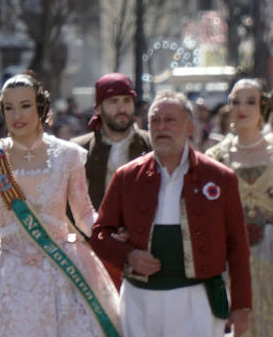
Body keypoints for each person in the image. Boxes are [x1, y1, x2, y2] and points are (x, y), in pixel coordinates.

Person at [0, 73, 120, 337]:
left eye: (25, 105)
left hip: (61, 269)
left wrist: (109, 234)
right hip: (4, 272)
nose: (17, 114)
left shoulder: (68, 155)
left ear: (41, 108)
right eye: (9, 107)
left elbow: (84, 213)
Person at [92, 91, 252, 337]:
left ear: (189, 127)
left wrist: (241, 306)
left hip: (198, 302)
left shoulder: (220, 178)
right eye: (155, 120)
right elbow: (100, 234)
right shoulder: (127, 177)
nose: (161, 127)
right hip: (139, 303)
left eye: (170, 120)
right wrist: (129, 256)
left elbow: (238, 246)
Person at [205, 79, 272, 336]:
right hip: (230, 259)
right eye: (235, 101)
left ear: (262, 108)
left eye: (250, 101)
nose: (241, 107)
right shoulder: (215, 157)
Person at [73, 73, 152, 211]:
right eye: (113, 101)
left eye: (127, 100)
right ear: (98, 107)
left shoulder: (151, 145)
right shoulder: (78, 149)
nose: (121, 109)